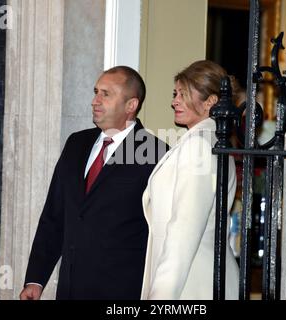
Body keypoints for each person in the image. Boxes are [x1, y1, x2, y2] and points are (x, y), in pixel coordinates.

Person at [20, 66, 168, 300]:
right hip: (69, 290)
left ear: (131, 105)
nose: (95, 101)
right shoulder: (76, 143)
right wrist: (36, 279)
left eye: (106, 94)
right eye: (96, 91)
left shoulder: (156, 153)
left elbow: (162, 233)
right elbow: (54, 216)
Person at [140, 60, 239, 300]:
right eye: (175, 94)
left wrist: (161, 295)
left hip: (191, 285)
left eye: (183, 94)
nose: (174, 101)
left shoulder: (200, 145)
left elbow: (185, 229)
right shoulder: (204, 141)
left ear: (210, 102)